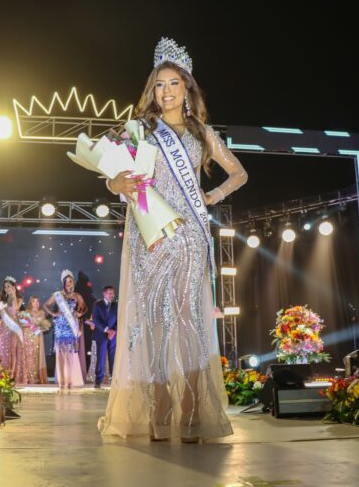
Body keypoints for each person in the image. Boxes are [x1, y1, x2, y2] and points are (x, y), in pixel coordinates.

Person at [98, 38, 247, 443]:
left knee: (190, 323)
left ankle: (194, 412)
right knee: (153, 324)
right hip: (151, 237)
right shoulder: (141, 129)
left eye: (174, 83)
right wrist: (116, 181)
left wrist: (211, 196)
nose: (166, 91)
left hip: (190, 237)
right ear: (153, 90)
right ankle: (160, 412)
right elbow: (111, 173)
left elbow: (239, 173)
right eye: (159, 84)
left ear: (187, 89)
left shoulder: (202, 132)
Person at [43, 270, 86, 390]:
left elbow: (84, 308)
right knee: (61, 355)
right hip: (60, 327)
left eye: (70, 281)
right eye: (66, 281)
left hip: (71, 328)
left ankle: (71, 380)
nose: (68, 283)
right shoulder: (58, 295)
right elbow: (45, 305)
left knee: (70, 355)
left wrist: (79, 313)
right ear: (63, 283)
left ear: (73, 282)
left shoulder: (77, 295)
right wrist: (54, 313)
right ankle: (62, 380)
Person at [91, 286, 118, 389]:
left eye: (113, 293)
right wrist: (107, 330)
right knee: (101, 357)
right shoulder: (98, 305)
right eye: (109, 293)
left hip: (113, 336)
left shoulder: (116, 305)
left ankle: (114, 380)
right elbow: (96, 320)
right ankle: (98, 381)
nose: (111, 295)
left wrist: (114, 331)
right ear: (104, 293)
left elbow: (119, 319)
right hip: (102, 334)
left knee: (113, 358)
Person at [0, 277, 24, 377]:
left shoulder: (19, 299)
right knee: (3, 349)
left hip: (14, 327)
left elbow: (16, 307)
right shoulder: (2, 300)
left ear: (14, 287)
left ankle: (12, 373)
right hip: (4, 327)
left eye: (9, 286)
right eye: (5, 287)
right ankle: (3, 372)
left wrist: (13, 295)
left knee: (13, 350)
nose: (7, 288)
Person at [20, 296, 48, 384]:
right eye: (33, 301)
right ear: (30, 303)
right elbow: (21, 324)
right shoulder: (25, 312)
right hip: (27, 335)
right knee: (28, 355)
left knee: (36, 355)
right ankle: (27, 376)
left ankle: (35, 377)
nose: (36, 303)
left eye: (37, 301)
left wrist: (42, 327)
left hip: (37, 336)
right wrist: (30, 324)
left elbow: (44, 325)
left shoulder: (42, 312)